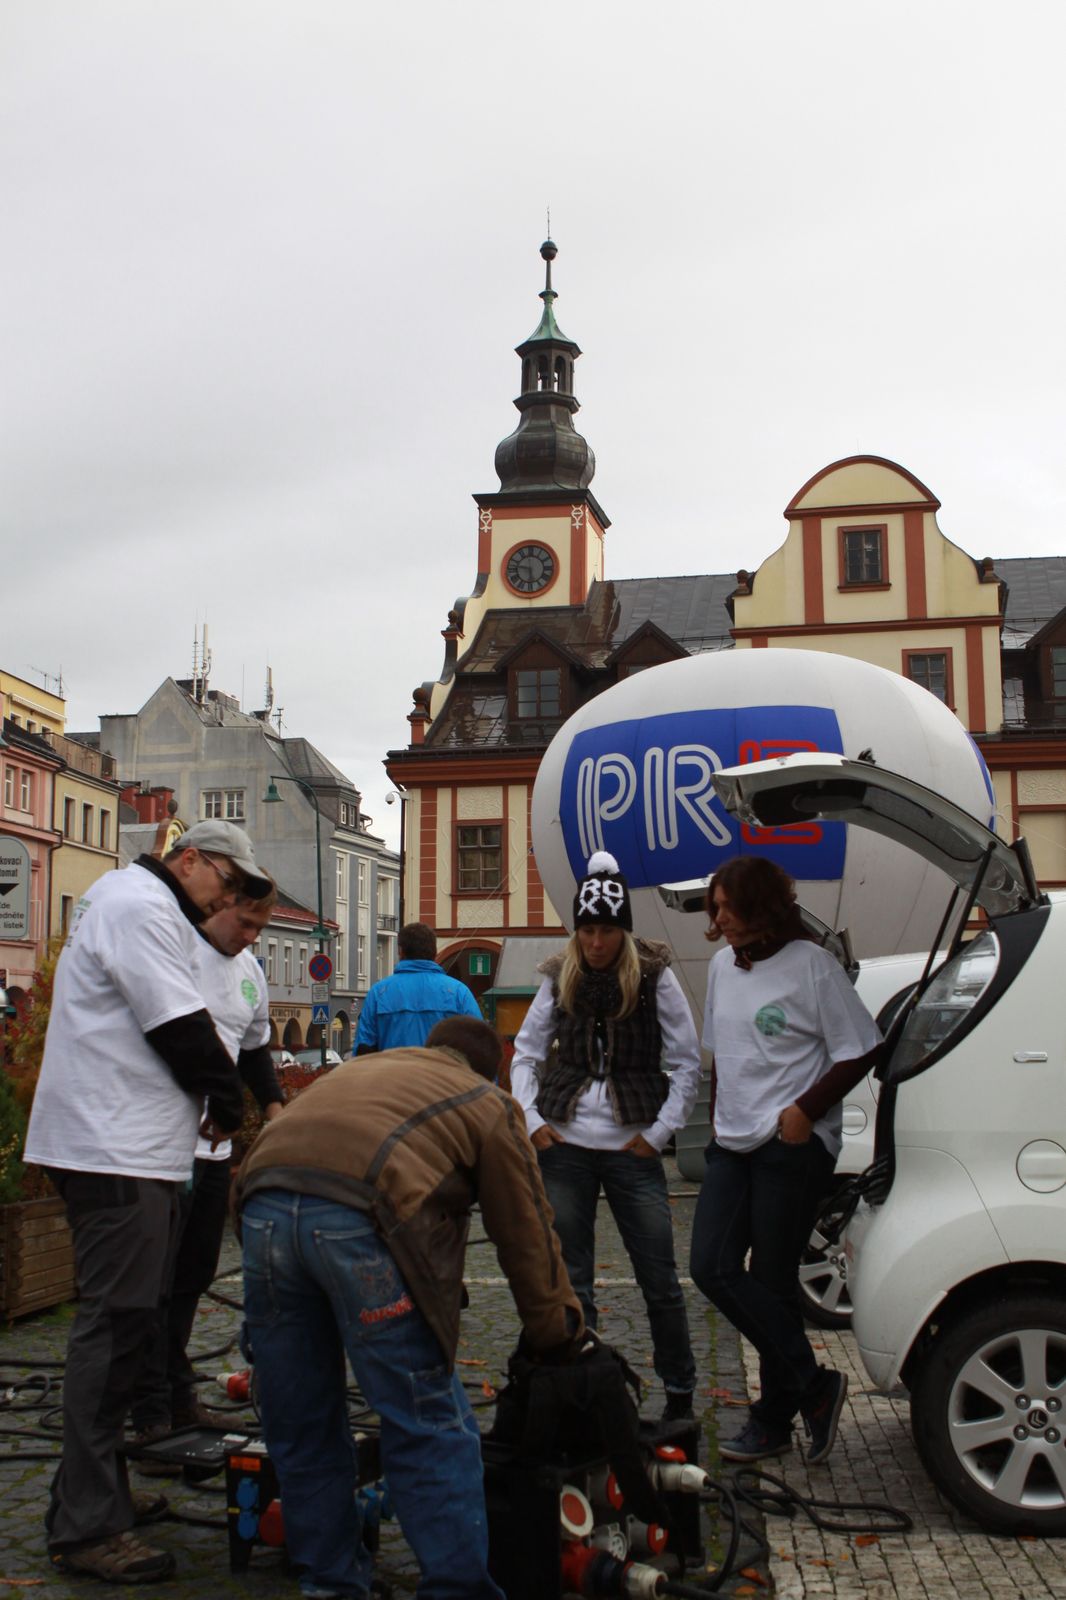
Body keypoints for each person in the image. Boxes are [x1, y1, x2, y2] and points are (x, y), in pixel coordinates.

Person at [235, 1015, 584, 1600]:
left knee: (299, 1421)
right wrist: (557, 1334)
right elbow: (525, 1232)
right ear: (491, 1071)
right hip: (359, 1216)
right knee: (425, 1420)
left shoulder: (362, 1070)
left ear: (433, 1050)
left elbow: (267, 1155)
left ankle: (330, 1583)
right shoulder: (487, 1102)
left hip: (261, 1207)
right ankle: (457, 1590)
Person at [24, 819, 272, 1584]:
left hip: (135, 1150)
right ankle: (87, 1525)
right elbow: (180, 1027)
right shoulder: (136, 904)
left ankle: (97, 1496)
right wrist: (229, 1103)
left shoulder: (152, 907)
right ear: (189, 859)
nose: (228, 899)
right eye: (227, 883)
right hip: (111, 1148)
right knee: (114, 1333)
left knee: (131, 1331)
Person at [689, 855, 881, 1466]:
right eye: (716, 907)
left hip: (791, 1146)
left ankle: (771, 1423)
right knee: (711, 1266)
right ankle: (815, 1384)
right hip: (731, 1144)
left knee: (772, 1282)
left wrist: (806, 1110)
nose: (720, 918)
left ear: (762, 906)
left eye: (730, 907)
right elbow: (722, 1056)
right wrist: (718, 1124)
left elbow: (862, 1050)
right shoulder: (721, 967)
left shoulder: (814, 967)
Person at [510, 851, 700, 1421]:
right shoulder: (558, 974)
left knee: (659, 1279)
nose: (596, 942)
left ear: (624, 930)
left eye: (607, 931)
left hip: (631, 1146)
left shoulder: (655, 975)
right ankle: (581, 1394)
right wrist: (533, 1122)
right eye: (587, 931)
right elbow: (525, 1053)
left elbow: (687, 1061)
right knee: (571, 1281)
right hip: (564, 1144)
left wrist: (660, 1133)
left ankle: (680, 1393)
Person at [130, 885, 284, 1454]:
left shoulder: (250, 972)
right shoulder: (178, 954)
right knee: (154, 1283)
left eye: (259, 929)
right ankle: (148, 1411)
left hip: (216, 1152)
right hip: (163, 1150)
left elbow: (253, 1051)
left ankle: (178, 1395)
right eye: (244, 923)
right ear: (219, 906)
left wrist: (275, 1110)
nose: (250, 937)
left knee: (193, 1276)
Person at [354, 921, 482, 1054]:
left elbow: (363, 1050)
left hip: (393, 1067)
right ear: (435, 952)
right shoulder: (459, 992)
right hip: (442, 1068)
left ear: (401, 951)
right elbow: (479, 1046)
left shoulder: (378, 993)